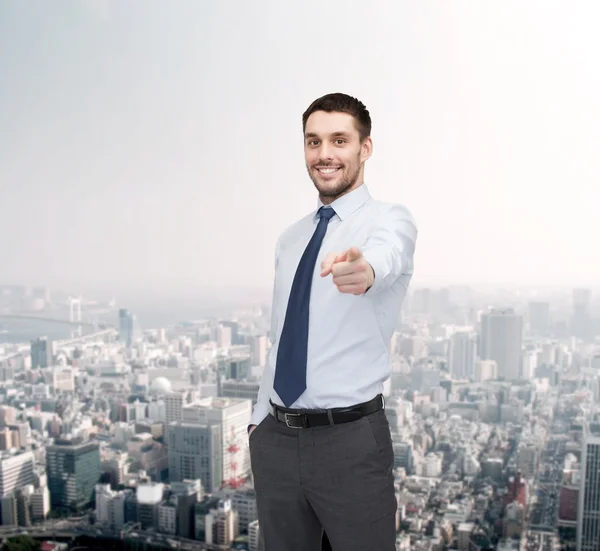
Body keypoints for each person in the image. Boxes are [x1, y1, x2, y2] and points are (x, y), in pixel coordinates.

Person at [248, 92, 418, 550]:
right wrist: (257, 421)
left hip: (350, 443)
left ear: (365, 148)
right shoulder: (290, 238)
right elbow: (280, 335)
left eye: (339, 140)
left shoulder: (389, 220)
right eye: (313, 141)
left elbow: (388, 255)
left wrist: (365, 271)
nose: (324, 154)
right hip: (276, 441)